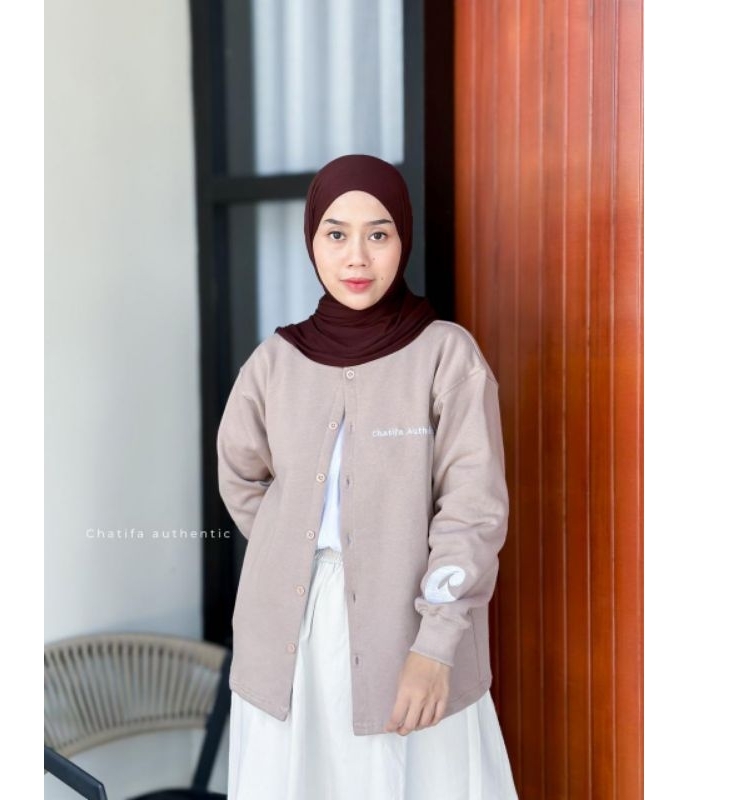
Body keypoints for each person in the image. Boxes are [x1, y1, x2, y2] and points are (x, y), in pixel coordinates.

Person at [217, 154, 518, 798]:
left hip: (410, 627)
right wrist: (294, 542)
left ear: (403, 238)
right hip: (285, 635)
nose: (357, 257)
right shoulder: (274, 362)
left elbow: (472, 513)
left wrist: (436, 645)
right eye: (336, 234)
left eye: (378, 234)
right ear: (312, 241)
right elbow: (241, 478)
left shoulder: (446, 355)